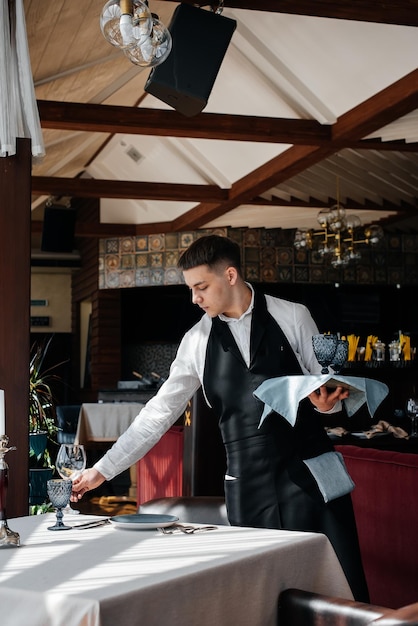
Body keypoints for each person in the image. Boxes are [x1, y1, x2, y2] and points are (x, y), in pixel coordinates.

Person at [72, 234, 368, 601]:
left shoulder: (293, 315)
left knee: (331, 591)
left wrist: (328, 406)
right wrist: (102, 470)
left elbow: (324, 384)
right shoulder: (196, 340)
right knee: (259, 597)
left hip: (310, 475)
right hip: (248, 485)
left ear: (230, 275)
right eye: (191, 289)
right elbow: (158, 414)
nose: (194, 298)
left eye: (201, 287)